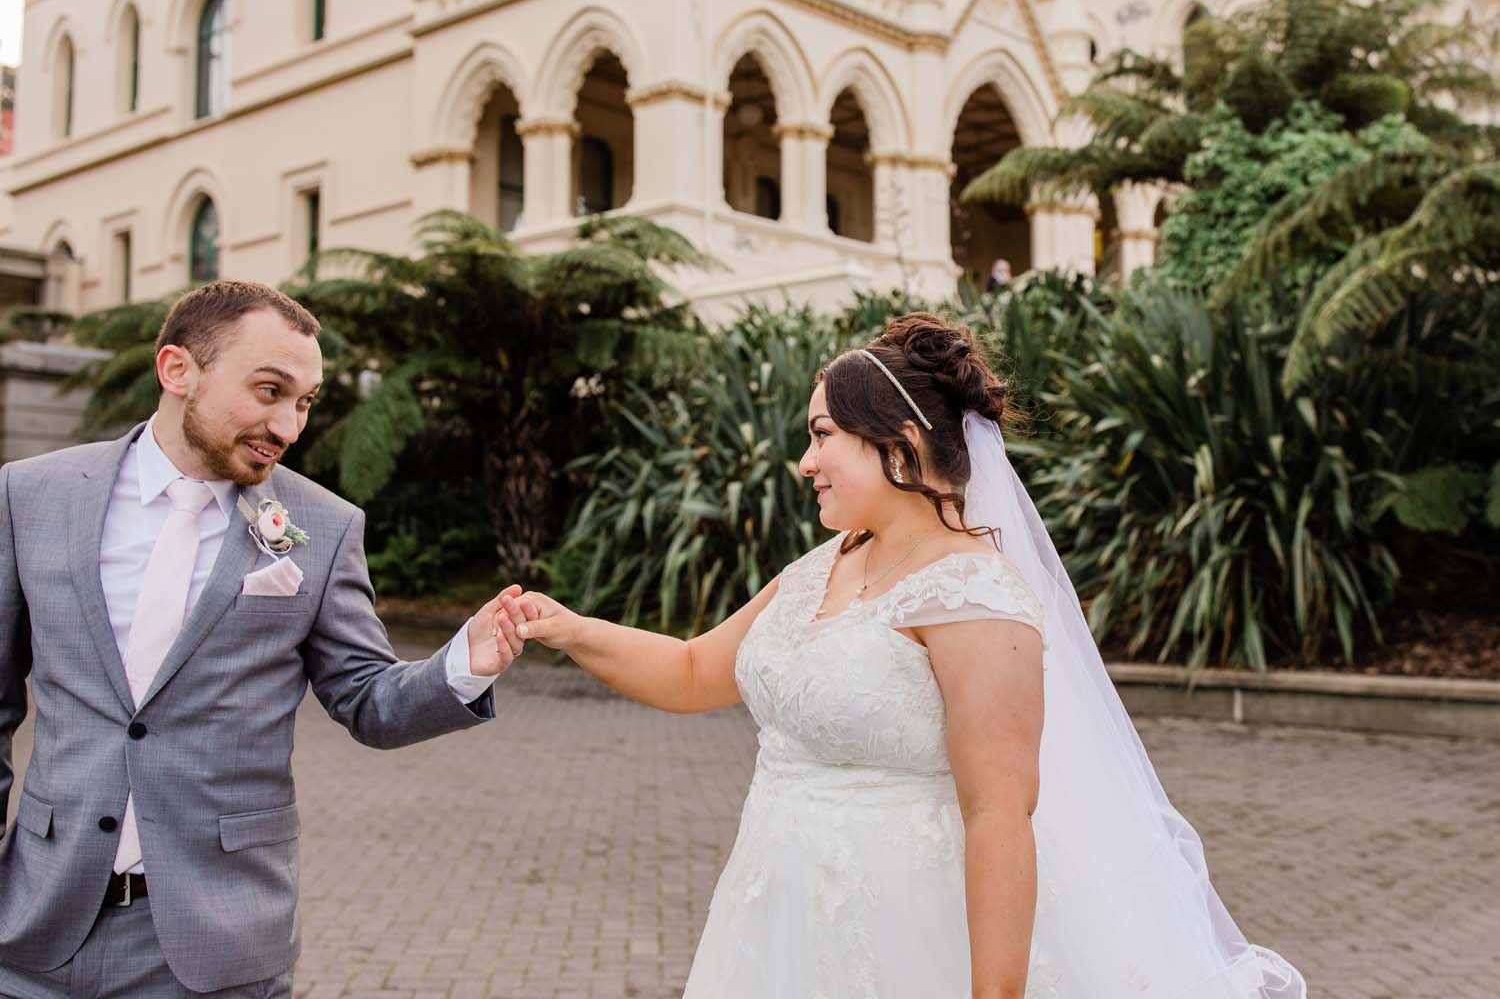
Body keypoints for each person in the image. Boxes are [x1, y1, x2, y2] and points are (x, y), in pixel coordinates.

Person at [494, 312, 1306, 996]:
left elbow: (999, 815)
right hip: (772, 915)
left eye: (822, 436)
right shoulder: (823, 566)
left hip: (904, 937)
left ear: (899, 441)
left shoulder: (973, 596)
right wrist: (567, 628)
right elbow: (695, 670)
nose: (804, 462)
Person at [0, 280, 523, 998]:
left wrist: (464, 664)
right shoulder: (31, 496)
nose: (289, 426)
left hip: (215, 945)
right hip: (35, 931)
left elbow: (367, 699)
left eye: (305, 402)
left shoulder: (326, 525)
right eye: (270, 390)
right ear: (178, 371)